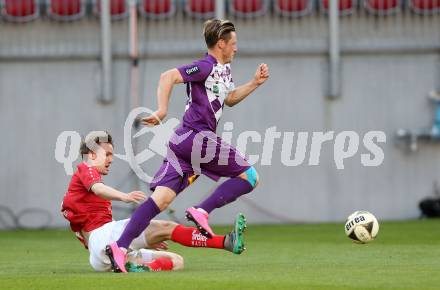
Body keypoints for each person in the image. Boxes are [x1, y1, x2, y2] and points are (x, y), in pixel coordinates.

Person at [106, 19, 269, 273]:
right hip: (196, 137)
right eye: (233, 43)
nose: (237, 48)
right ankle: (202, 210)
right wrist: (161, 110)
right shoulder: (205, 65)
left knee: (159, 200)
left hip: (183, 143)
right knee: (250, 176)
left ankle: (119, 247)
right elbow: (168, 76)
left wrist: (254, 83)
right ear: (221, 44)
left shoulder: (223, 70)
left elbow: (230, 98)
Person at [61, 131, 247, 273]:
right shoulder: (86, 168)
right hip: (102, 239)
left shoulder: (81, 182)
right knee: (166, 227)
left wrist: (142, 239)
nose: (111, 159)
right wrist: (124, 197)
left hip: (100, 254)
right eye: (107, 154)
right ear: (92, 154)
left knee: (176, 261)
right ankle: (225, 242)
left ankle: (142, 268)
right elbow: (98, 188)